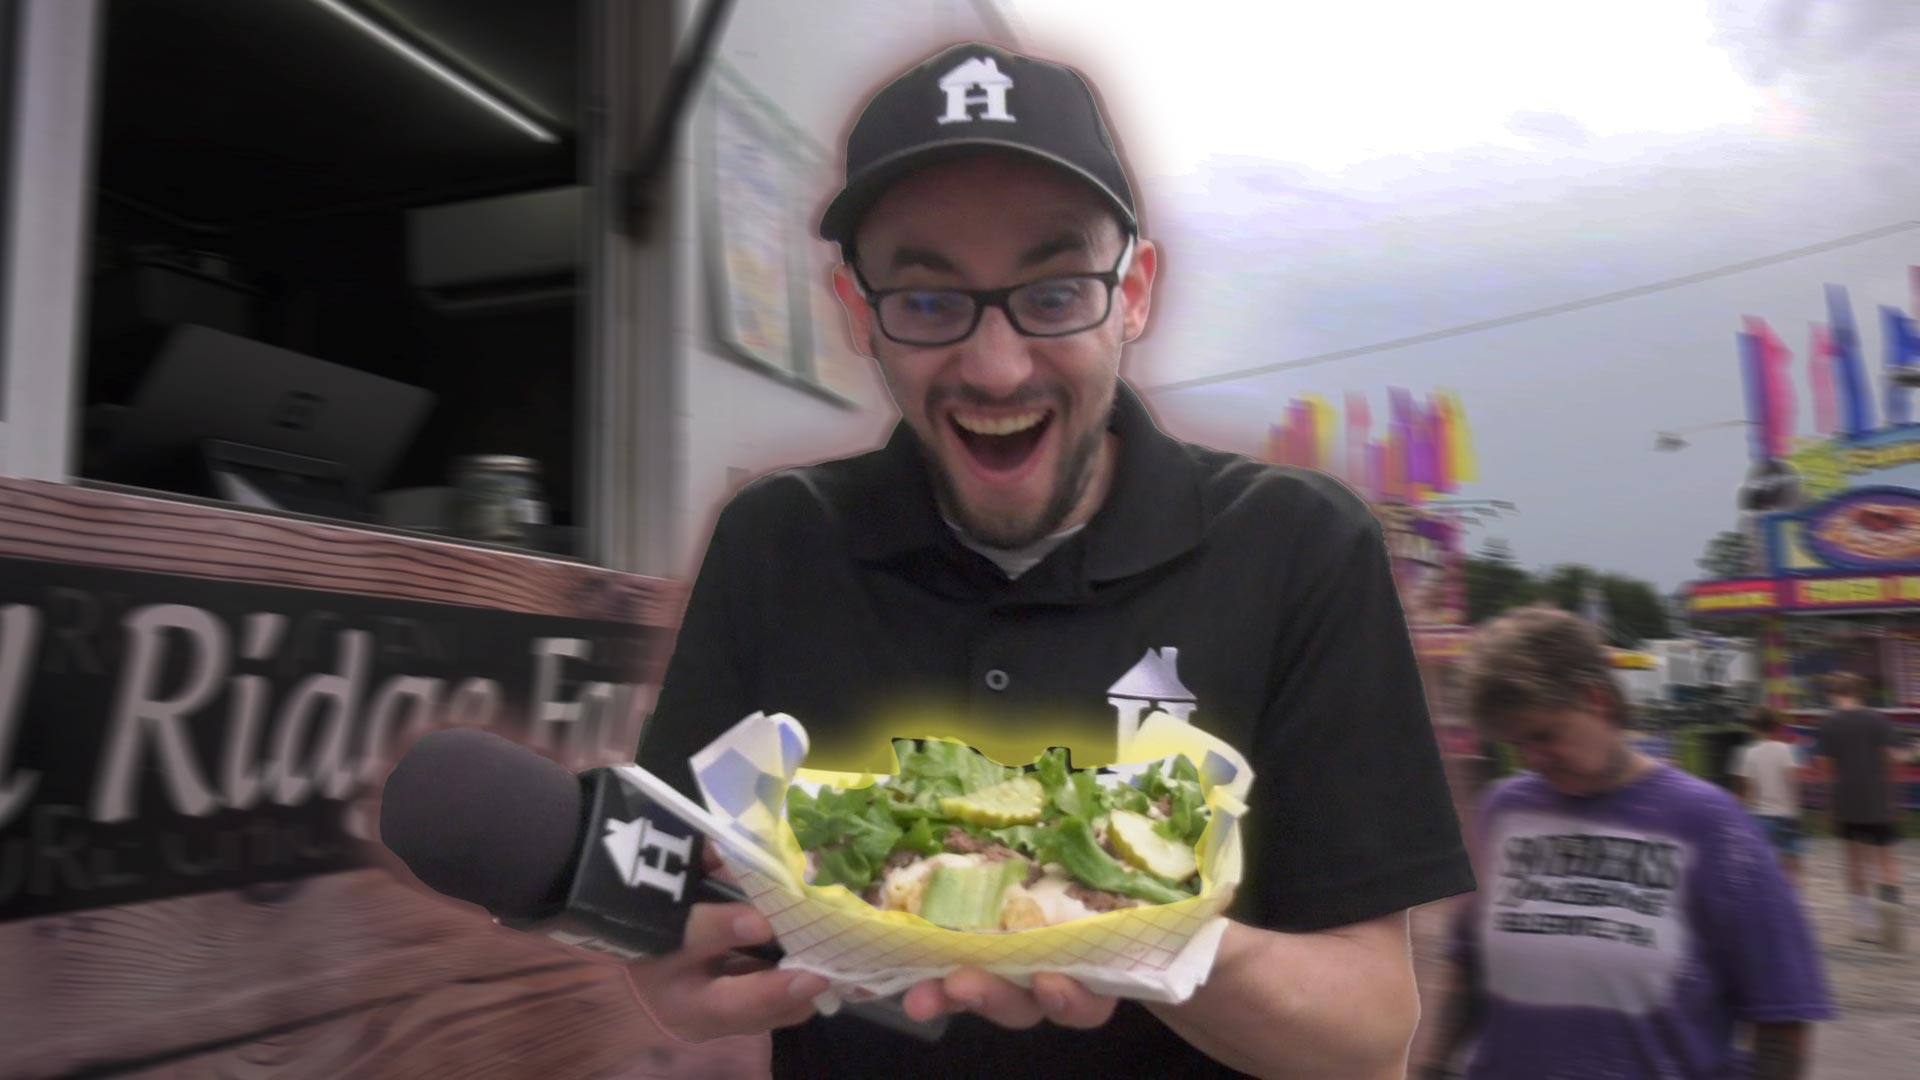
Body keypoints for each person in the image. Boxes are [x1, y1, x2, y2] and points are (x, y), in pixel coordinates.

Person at [628, 41, 1475, 1080]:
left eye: (1055, 289)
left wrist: (1127, 929)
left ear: (1135, 294)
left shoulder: (1301, 547)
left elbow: (1372, 1035)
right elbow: (672, 901)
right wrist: (666, 961)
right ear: (860, 315)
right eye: (930, 302)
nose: (996, 366)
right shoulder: (775, 541)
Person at [1429, 607, 1830, 1079]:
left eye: (1543, 735)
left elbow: (1782, 1013)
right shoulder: (1503, 811)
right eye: (1517, 744)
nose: (1532, 759)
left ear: (1595, 699)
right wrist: (1434, 1066)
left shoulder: (1708, 823)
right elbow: (1468, 964)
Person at [1809, 672, 1905, 945]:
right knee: (1887, 861)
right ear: (1861, 692)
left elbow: (1825, 770)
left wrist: (1827, 805)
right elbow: (1893, 760)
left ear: (1832, 693)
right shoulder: (1878, 720)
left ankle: (1863, 923)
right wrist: (1892, 796)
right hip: (1878, 798)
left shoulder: (1828, 724)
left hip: (1845, 801)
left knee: (1853, 861)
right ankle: (1891, 912)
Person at [1730, 708, 1808, 888]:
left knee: (1764, 864)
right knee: (1793, 864)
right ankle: (1794, 901)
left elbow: (1749, 790)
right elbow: (1794, 783)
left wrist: (1744, 813)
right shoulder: (1788, 751)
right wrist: (1797, 808)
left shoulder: (1749, 754)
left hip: (1761, 815)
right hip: (1787, 814)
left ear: (1755, 728)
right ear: (1776, 726)